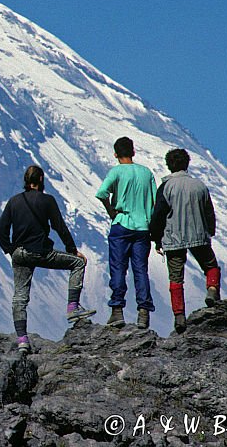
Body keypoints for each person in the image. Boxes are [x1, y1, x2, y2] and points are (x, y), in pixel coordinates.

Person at [0, 165, 96, 354]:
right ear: (41, 179)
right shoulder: (47, 200)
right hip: (40, 251)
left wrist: (10, 250)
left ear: (26, 180)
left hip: (19, 253)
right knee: (78, 263)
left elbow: (1, 230)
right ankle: (73, 308)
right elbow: (59, 226)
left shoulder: (14, 201)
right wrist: (72, 250)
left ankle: (22, 340)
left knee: (19, 296)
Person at [149, 148, 221, 333]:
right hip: (198, 236)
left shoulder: (166, 187)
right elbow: (209, 212)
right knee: (211, 265)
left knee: (176, 278)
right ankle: (212, 289)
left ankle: (179, 316)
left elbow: (158, 215)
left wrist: (156, 239)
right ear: (187, 164)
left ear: (168, 165)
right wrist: (210, 231)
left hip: (173, 238)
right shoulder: (199, 186)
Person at [95, 136, 157, 329]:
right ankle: (143, 311)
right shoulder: (146, 173)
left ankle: (117, 310)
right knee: (140, 269)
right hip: (143, 228)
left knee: (118, 267)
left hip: (121, 224)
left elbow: (102, 193)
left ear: (115, 154)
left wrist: (111, 211)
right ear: (133, 152)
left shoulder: (117, 172)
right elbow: (154, 203)